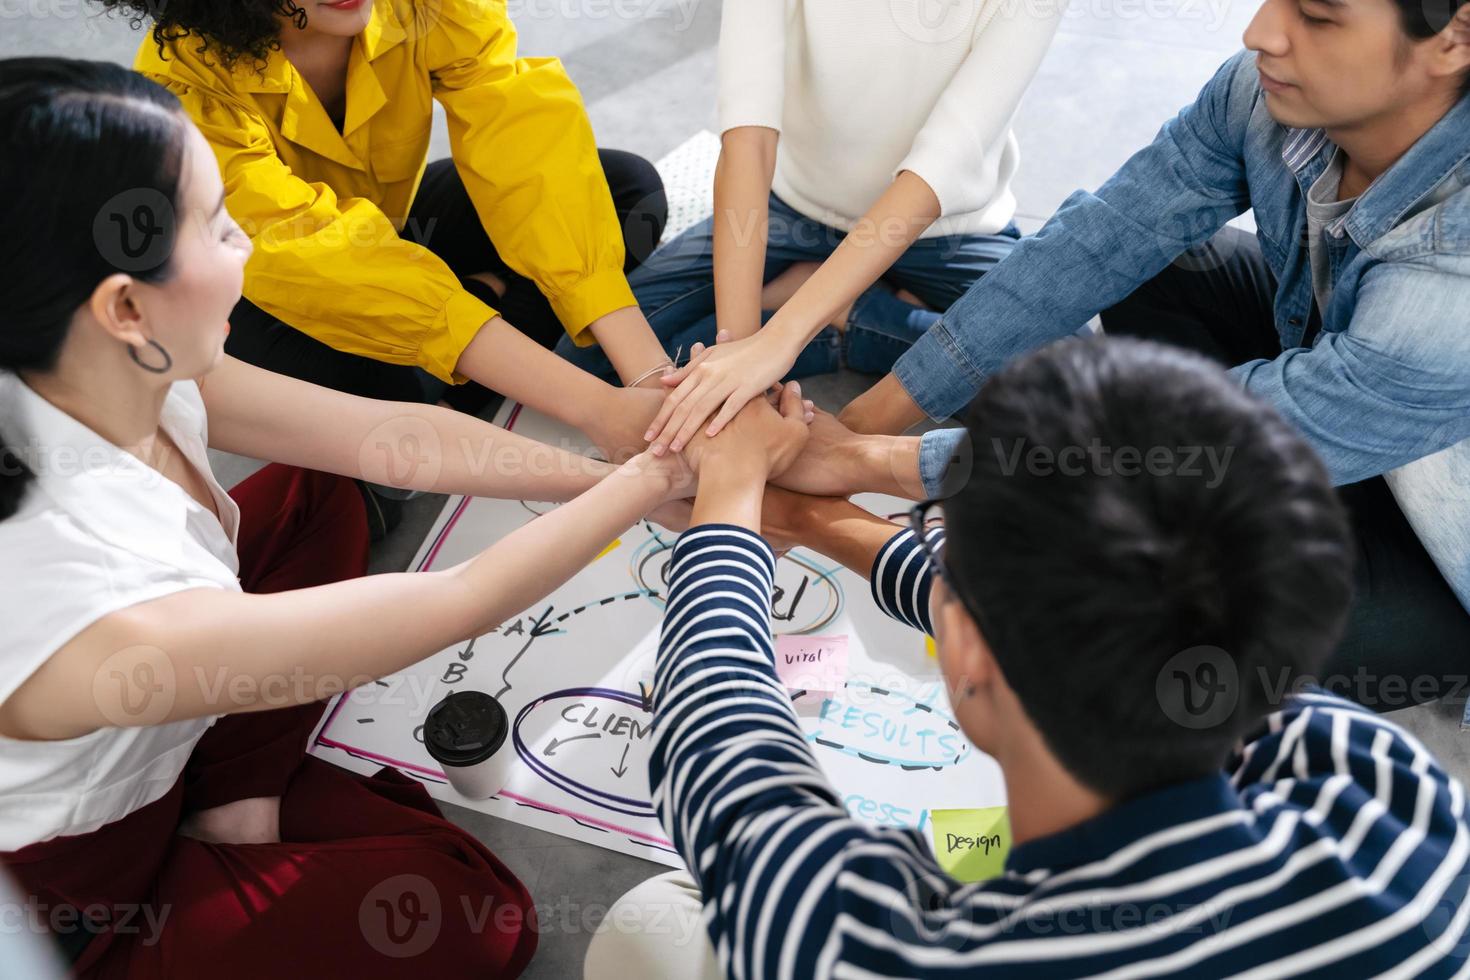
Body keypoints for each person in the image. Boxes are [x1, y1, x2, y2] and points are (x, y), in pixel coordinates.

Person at [0, 57, 704, 977]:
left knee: (317, 494)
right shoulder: (82, 601)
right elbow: (458, 598)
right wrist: (654, 479)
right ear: (125, 305)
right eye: (220, 228)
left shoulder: (94, 362)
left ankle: (238, 792)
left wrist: (606, 466)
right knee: (474, 912)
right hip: (90, 879)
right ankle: (216, 829)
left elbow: (382, 437)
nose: (247, 247)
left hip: (177, 706)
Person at [588, 336, 1469, 979]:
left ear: (962, 642)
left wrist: (731, 493)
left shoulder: (863, 949)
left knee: (645, 928)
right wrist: (804, 519)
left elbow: (722, 757)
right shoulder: (1394, 799)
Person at [824, 0, 1470, 708]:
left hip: (1441, 553)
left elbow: (1222, 438)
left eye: (1316, 16)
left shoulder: (1451, 285)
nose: (1260, 33)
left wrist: (863, 470)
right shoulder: (1265, 94)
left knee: (1169, 640)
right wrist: (867, 420)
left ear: (1455, 36)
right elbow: (1106, 235)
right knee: (1160, 260)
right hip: (1325, 397)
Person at [99, 0, 677, 432]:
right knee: (367, 393)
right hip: (257, 287)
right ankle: (464, 360)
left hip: (391, 230)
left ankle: (463, 368)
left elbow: (523, 143)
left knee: (627, 192)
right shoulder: (181, 82)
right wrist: (601, 411)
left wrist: (651, 376)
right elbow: (314, 252)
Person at [588, 0, 1059, 406]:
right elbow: (749, 139)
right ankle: (832, 311)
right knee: (595, 361)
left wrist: (781, 339)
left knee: (1064, 394)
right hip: (792, 211)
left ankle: (849, 315)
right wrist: (741, 349)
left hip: (946, 232)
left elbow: (937, 170)